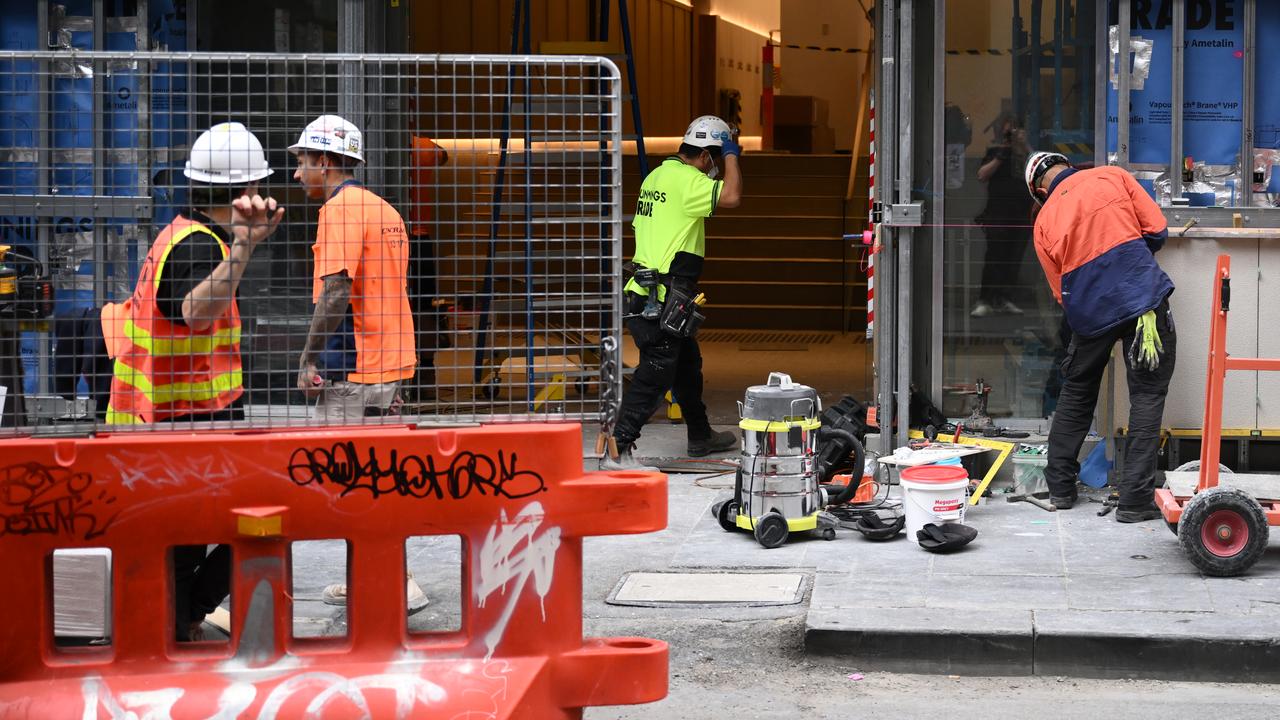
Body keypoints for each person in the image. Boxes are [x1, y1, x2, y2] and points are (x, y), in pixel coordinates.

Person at [103, 122, 283, 639]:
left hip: (171, 417)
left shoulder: (180, 232)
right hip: (183, 423)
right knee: (242, 526)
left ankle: (177, 622)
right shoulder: (200, 246)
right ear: (242, 192)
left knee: (183, 539)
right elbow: (194, 311)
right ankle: (180, 622)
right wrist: (244, 249)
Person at [290, 114, 426, 614]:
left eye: (303, 162)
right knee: (379, 476)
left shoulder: (340, 210)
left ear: (325, 161)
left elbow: (337, 291)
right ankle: (377, 576)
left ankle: (397, 580)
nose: (298, 173)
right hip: (389, 361)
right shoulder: (384, 209)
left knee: (352, 481)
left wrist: (307, 358)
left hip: (356, 366)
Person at [1025, 151, 1176, 523]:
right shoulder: (1113, 176)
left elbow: (1060, 291)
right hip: (1142, 302)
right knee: (1147, 394)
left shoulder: (1043, 221)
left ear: (1039, 191)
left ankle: (1060, 490)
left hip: (1090, 314)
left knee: (1077, 392)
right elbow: (1158, 232)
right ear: (1068, 165)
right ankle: (1134, 502)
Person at [602, 115, 743, 471]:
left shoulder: (657, 176)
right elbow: (732, 195)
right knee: (655, 374)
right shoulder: (688, 181)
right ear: (708, 156)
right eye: (716, 156)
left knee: (686, 366)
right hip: (660, 298)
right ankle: (617, 449)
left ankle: (699, 434)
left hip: (649, 293)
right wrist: (732, 155)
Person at [972, 113, 1032, 318]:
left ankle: (1005, 298)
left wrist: (1024, 147)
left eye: (1016, 131)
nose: (1012, 135)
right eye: (1009, 132)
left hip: (1022, 214)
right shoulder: (995, 151)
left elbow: (1037, 169)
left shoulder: (1025, 153)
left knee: (1014, 258)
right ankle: (985, 299)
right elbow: (982, 175)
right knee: (994, 257)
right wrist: (1002, 154)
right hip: (998, 214)